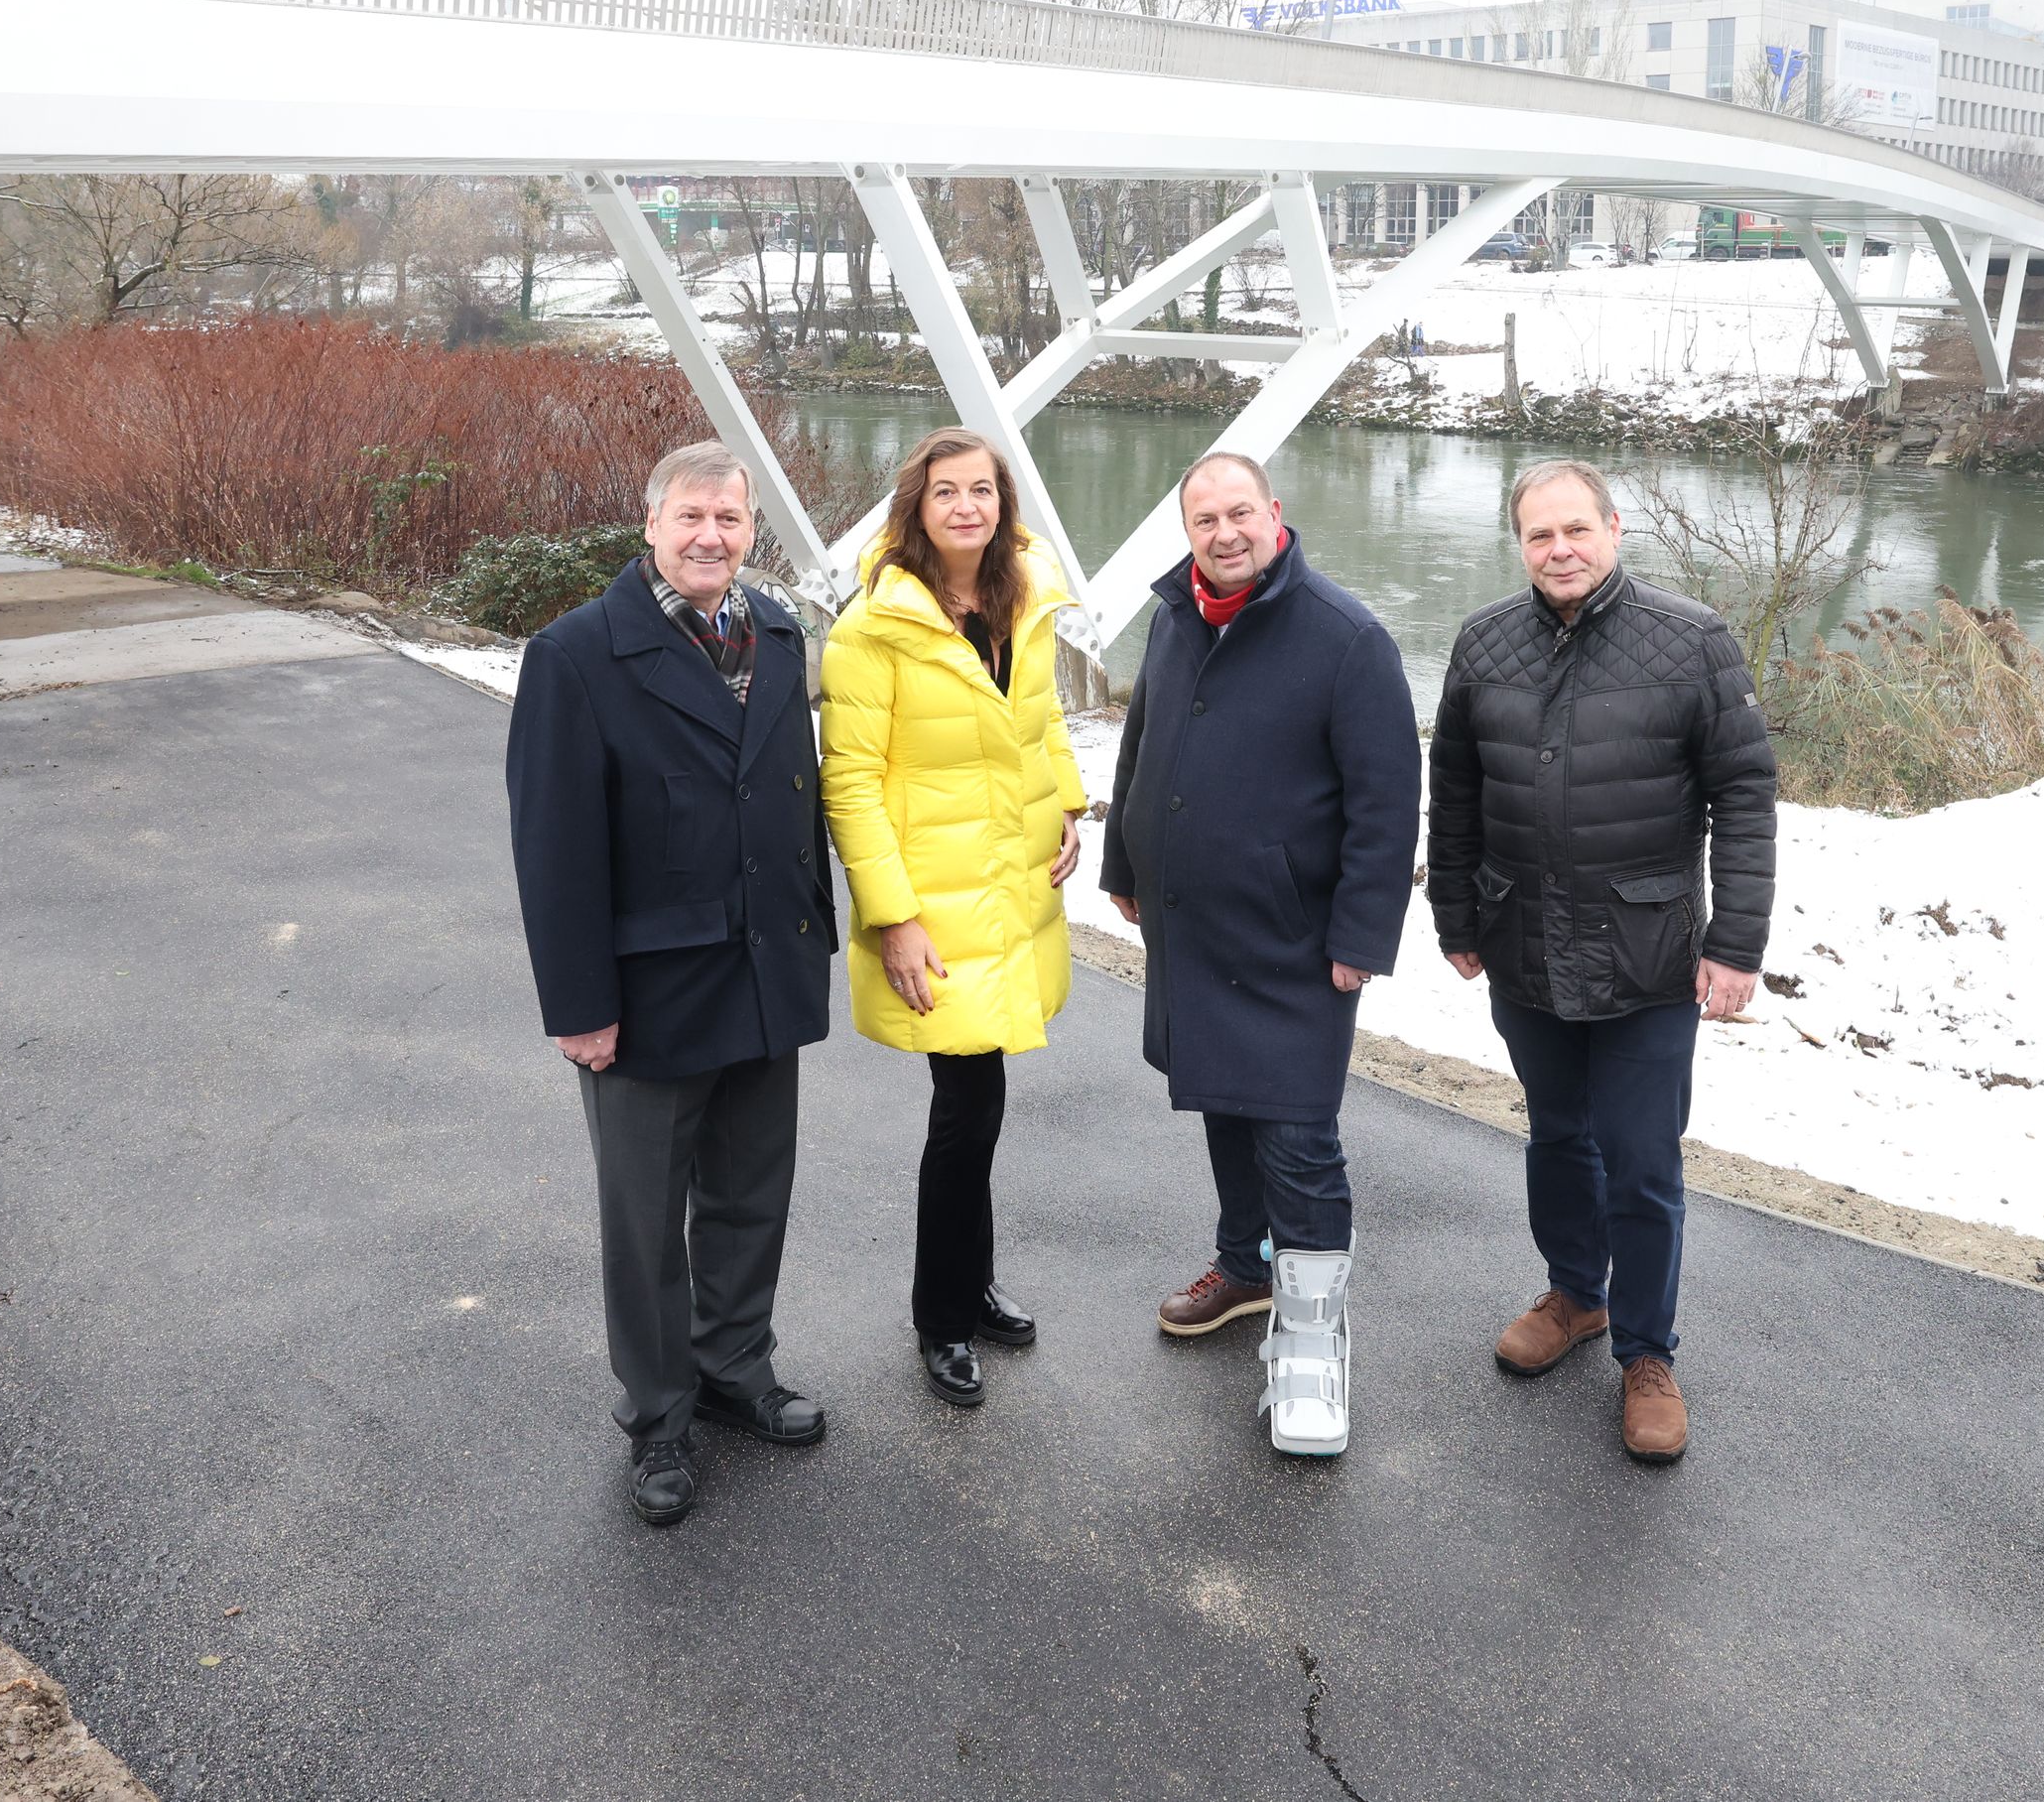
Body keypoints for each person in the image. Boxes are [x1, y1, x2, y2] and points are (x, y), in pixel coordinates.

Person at [507, 440, 835, 1527]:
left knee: (750, 1197)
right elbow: (554, 848)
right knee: (645, 1223)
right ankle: (658, 1415)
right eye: (690, 517)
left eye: (729, 522)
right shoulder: (577, 656)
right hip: (648, 992)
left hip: (762, 968)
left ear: (750, 532)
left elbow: (792, 796)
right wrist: (579, 1007)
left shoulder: (778, 632)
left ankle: (737, 1372)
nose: (709, 538)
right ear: (649, 524)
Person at [1426, 456, 1776, 1466]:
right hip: (1523, 942)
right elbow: (1452, 791)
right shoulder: (1484, 644)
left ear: (1613, 530)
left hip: (1648, 954)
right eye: (1539, 535)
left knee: (1642, 1161)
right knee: (1555, 1138)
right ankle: (1576, 1294)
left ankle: (1647, 1353)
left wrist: (1735, 943)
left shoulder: (1691, 642)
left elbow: (1744, 799)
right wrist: (1456, 913)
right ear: (1521, 545)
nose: (1559, 550)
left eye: (1575, 529)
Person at [1098, 450, 1417, 1456]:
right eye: (1205, 520)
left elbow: (1384, 804)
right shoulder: (1176, 616)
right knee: (1224, 1101)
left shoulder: (1345, 638)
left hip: (1293, 939)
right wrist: (1125, 858)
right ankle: (1243, 1267)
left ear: (1274, 513)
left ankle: (1314, 1341)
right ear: (1187, 531)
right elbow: (1143, 740)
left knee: (1296, 1133)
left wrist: (1362, 937)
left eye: (1240, 513)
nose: (1224, 533)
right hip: (1193, 920)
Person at [819, 427, 1088, 1411]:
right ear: (917, 508)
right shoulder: (873, 629)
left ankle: (968, 1286)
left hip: (1011, 881)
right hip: (936, 902)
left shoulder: (1024, 600)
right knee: (962, 1109)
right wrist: (894, 918)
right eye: (947, 492)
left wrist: (1068, 805)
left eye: (982, 490)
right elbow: (848, 781)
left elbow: (1041, 719)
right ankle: (941, 1319)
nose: (967, 506)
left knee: (980, 1106)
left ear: (1002, 504)